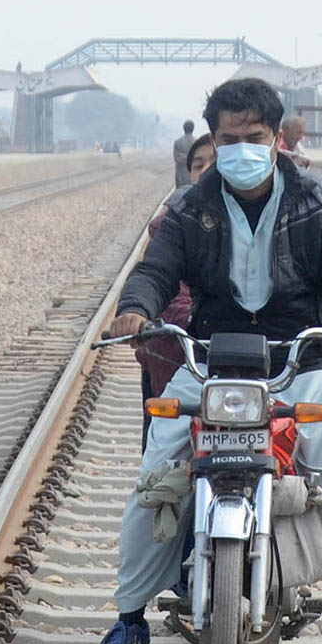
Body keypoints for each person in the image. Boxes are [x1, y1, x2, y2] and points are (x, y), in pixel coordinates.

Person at [93, 76, 322, 644]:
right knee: (155, 481)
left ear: (276, 137)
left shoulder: (319, 198)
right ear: (214, 140)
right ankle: (129, 622)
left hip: (300, 362)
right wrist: (135, 307)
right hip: (211, 362)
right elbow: (154, 270)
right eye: (227, 138)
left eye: (253, 137)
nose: (239, 148)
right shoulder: (191, 206)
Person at [138, 133, 217, 448]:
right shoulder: (172, 224)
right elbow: (158, 279)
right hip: (181, 360)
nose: (207, 170)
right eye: (198, 165)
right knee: (159, 468)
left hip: (252, 364)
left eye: (216, 161)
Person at [173, 120, 196, 186]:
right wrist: (191, 158)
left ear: (183, 128)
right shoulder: (197, 142)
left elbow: (177, 159)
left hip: (180, 176)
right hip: (193, 175)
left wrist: (183, 156)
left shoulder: (177, 142)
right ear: (193, 129)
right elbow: (197, 159)